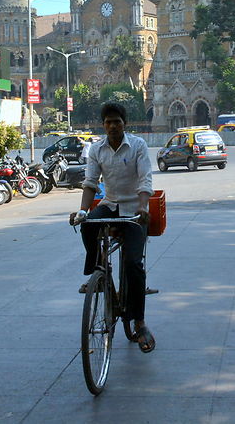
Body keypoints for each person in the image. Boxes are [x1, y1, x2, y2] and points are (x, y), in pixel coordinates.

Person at [70, 102, 155, 353]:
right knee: (87, 226)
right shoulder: (97, 149)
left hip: (133, 210)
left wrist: (143, 208)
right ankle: (100, 270)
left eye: (117, 121)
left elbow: (145, 179)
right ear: (103, 125)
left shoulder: (138, 145)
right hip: (110, 204)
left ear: (124, 123)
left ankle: (139, 322)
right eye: (108, 122)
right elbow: (90, 182)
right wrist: (83, 211)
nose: (112, 126)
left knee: (133, 266)